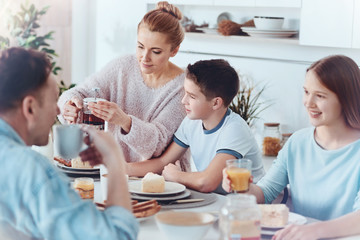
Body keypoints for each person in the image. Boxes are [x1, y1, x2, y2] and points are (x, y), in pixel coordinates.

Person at [0, 47, 138, 239]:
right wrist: (114, 160)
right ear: (30, 108)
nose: (58, 111)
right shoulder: (32, 171)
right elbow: (117, 236)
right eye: (53, 100)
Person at [222, 55, 360, 240]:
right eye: (306, 92)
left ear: (346, 99)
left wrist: (315, 230)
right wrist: (242, 187)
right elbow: (265, 192)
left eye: (320, 95)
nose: (308, 103)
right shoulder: (297, 142)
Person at [58, 1, 190, 170]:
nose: (144, 57)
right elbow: (81, 92)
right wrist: (69, 104)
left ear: (174, 50)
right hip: (118, 172)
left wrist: (124, 121)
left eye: (156, 51)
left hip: (164, 182)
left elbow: (157, 146)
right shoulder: (123, 67)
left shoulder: (182, 88)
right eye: (140, 47)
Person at [126, 59, 265, 193]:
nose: (183, 100)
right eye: (185, 93)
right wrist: (120, 167)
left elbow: (207, 182)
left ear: (216, 103)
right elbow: (163, 162)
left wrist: (176, 176)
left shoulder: (235, 129)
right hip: (218, 201)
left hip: (251, 205)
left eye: (191, 96)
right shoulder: (191, 122)